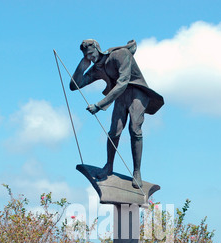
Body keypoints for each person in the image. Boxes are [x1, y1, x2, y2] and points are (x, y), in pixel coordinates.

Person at [69, 39, 164, 188]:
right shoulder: (97, 68)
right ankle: (109, 166)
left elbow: (123, 82)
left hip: (137, 93)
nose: (91, 58)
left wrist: (99, 105)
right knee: (114, 131)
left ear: (97, 48)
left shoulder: (120, 54)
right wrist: (82, 66)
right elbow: (74, 86)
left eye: (91, 54)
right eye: (87, 56)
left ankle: (137, 172)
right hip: (121, 95)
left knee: (135, 129)